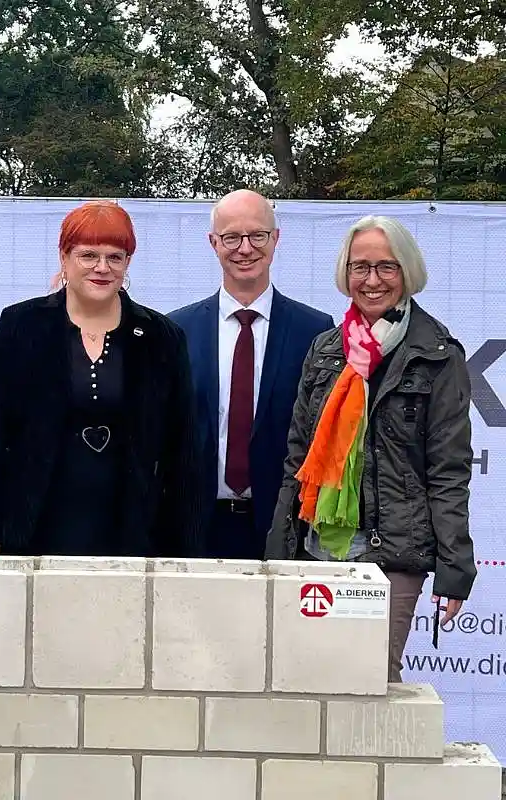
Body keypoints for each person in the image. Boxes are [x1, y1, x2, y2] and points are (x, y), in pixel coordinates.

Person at [266, 215, 476, 681]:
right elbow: (298, 458)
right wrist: (278, 548)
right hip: (316, 547)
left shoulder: (438, 354)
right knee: (309, 682)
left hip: (393, 553)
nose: (372, 280)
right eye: (360, 267)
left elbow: (448, 472)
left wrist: (455, 568)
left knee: (373, 682)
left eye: (386, 267)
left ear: (407, 271)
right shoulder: (326, 349)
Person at [0, 200, 203, 558]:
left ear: (128, 263)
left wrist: (186, 549)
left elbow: (184, 450)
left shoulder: (162, 337)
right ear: (64, 257)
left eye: (115, 257)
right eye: (88, 255)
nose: (102, 267)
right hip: (31, 532)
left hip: (133, 537)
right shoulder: (20, 327)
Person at [170, 190, 333, 560]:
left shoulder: (315, 331)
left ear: (276, 238)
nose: (245, 249)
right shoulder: (178, 331)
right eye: (231, 237)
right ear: (213, 243)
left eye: (257, 235)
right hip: (196, 530)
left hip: (285, 529)